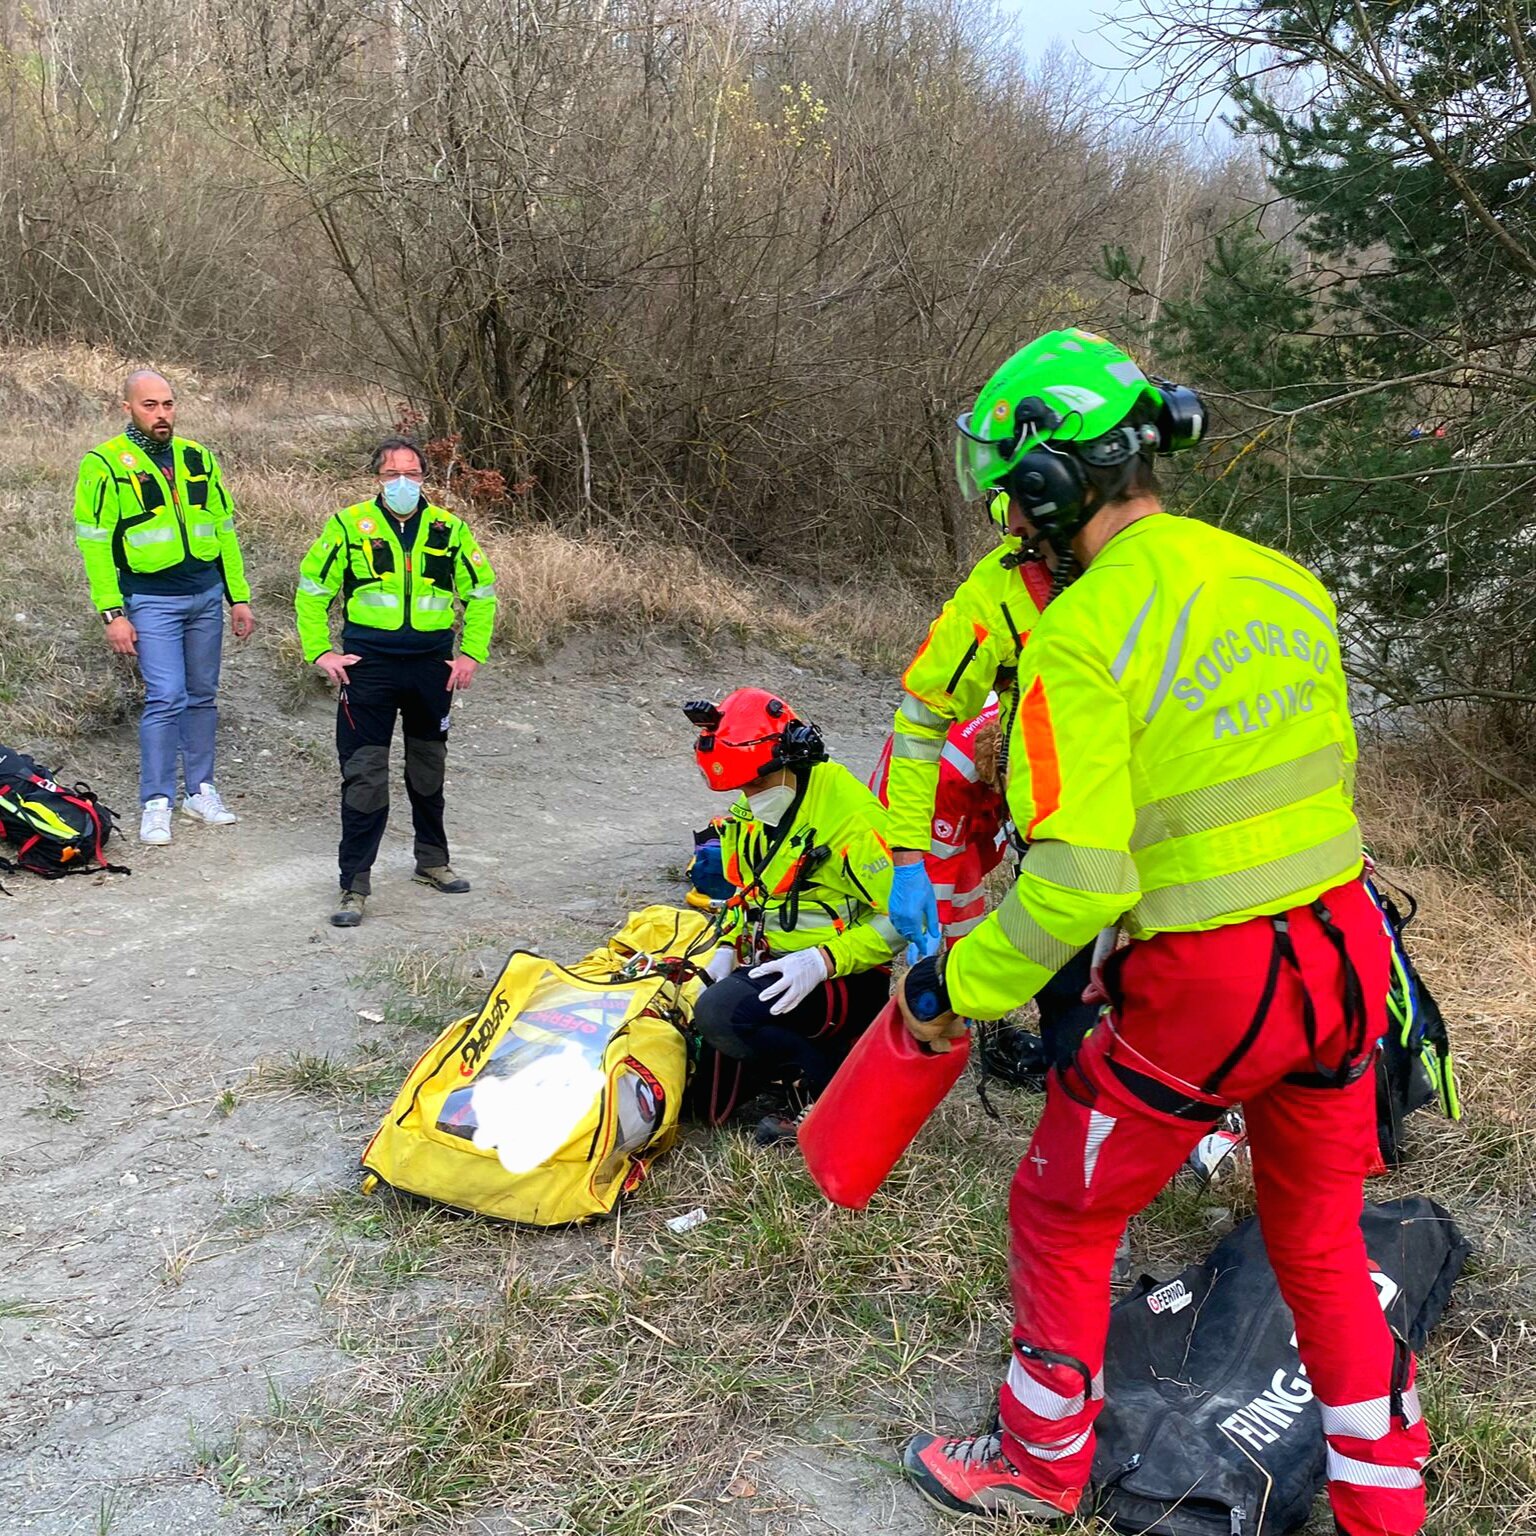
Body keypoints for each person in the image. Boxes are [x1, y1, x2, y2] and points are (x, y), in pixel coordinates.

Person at [896, 328, 1427, 1536]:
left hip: (1211, 981)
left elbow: (1078, 883)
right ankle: (1387, 1506)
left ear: (1048, 479)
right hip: (1348, 955)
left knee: (1064, 1208)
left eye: (1007, 476)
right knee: (1321, 1241)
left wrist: (951, 985)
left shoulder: (1079, 634)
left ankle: (1036, 1466)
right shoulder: (1282, 578)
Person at [886, 482, 1097, 1071]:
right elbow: (921, 720)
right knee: (1066, 972)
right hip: (1052, 807)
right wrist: (908, 860)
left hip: (1158, 805)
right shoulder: (999, 591)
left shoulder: (1154, 570)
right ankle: (1072, 1085)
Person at [295, 438, 497, 927]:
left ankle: (432, 861)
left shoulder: (449, 528)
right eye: (391, 474)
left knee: (428, 770)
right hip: (370, 668)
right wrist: (320, 650)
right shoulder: (348, 525)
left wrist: (471, 653)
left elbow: (483, 592)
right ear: (377, 479)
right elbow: (312, 590)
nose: (402, 483)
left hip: (432, 667)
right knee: (364, 776)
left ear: (425, 478)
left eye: (412, 473)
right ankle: (354, 885)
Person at [684, 688, 901, 1142]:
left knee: (719, 1014)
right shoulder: (759, 798)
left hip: (842, 980)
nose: (748, 795)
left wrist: (822, 961)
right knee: (701, 1106)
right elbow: (748, 889)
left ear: (792, 758)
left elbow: (903, 920)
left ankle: (833, 1081)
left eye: (756, 784)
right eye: (740, 787)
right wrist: (726, 946)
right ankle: (783, 1064)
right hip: (771, 963)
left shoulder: (852, 820)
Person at [72, 369, 255, 845]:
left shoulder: (198, 458)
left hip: (205, 595)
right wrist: (112, 613)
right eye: (150, 405)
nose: (161, 414)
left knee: (202, 695)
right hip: (151, 600)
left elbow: (225, 531)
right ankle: (156, 801)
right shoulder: (105, 463)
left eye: (167, 404)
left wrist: (238, 596)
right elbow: (93, 544)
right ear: (127, 407)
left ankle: (200, 790)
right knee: (166, 696)